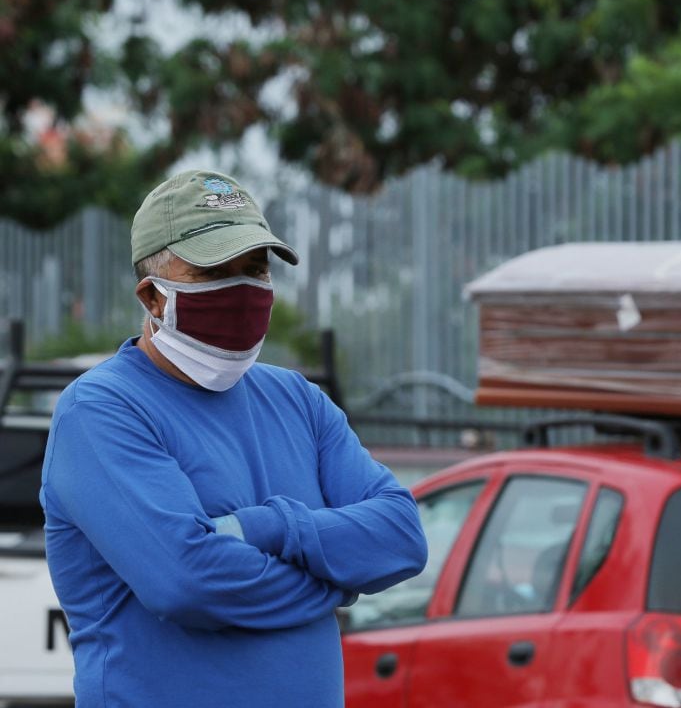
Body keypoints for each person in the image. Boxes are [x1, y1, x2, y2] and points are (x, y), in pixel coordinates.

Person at [40, 169, 427, 708]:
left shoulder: (298, 399)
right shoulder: (102, 410)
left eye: (255, 269)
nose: (244, 290)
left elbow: (402, 535)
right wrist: (333, 585)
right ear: (153, 298)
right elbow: (187, 582)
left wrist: (265, 527)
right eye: (217, 271)